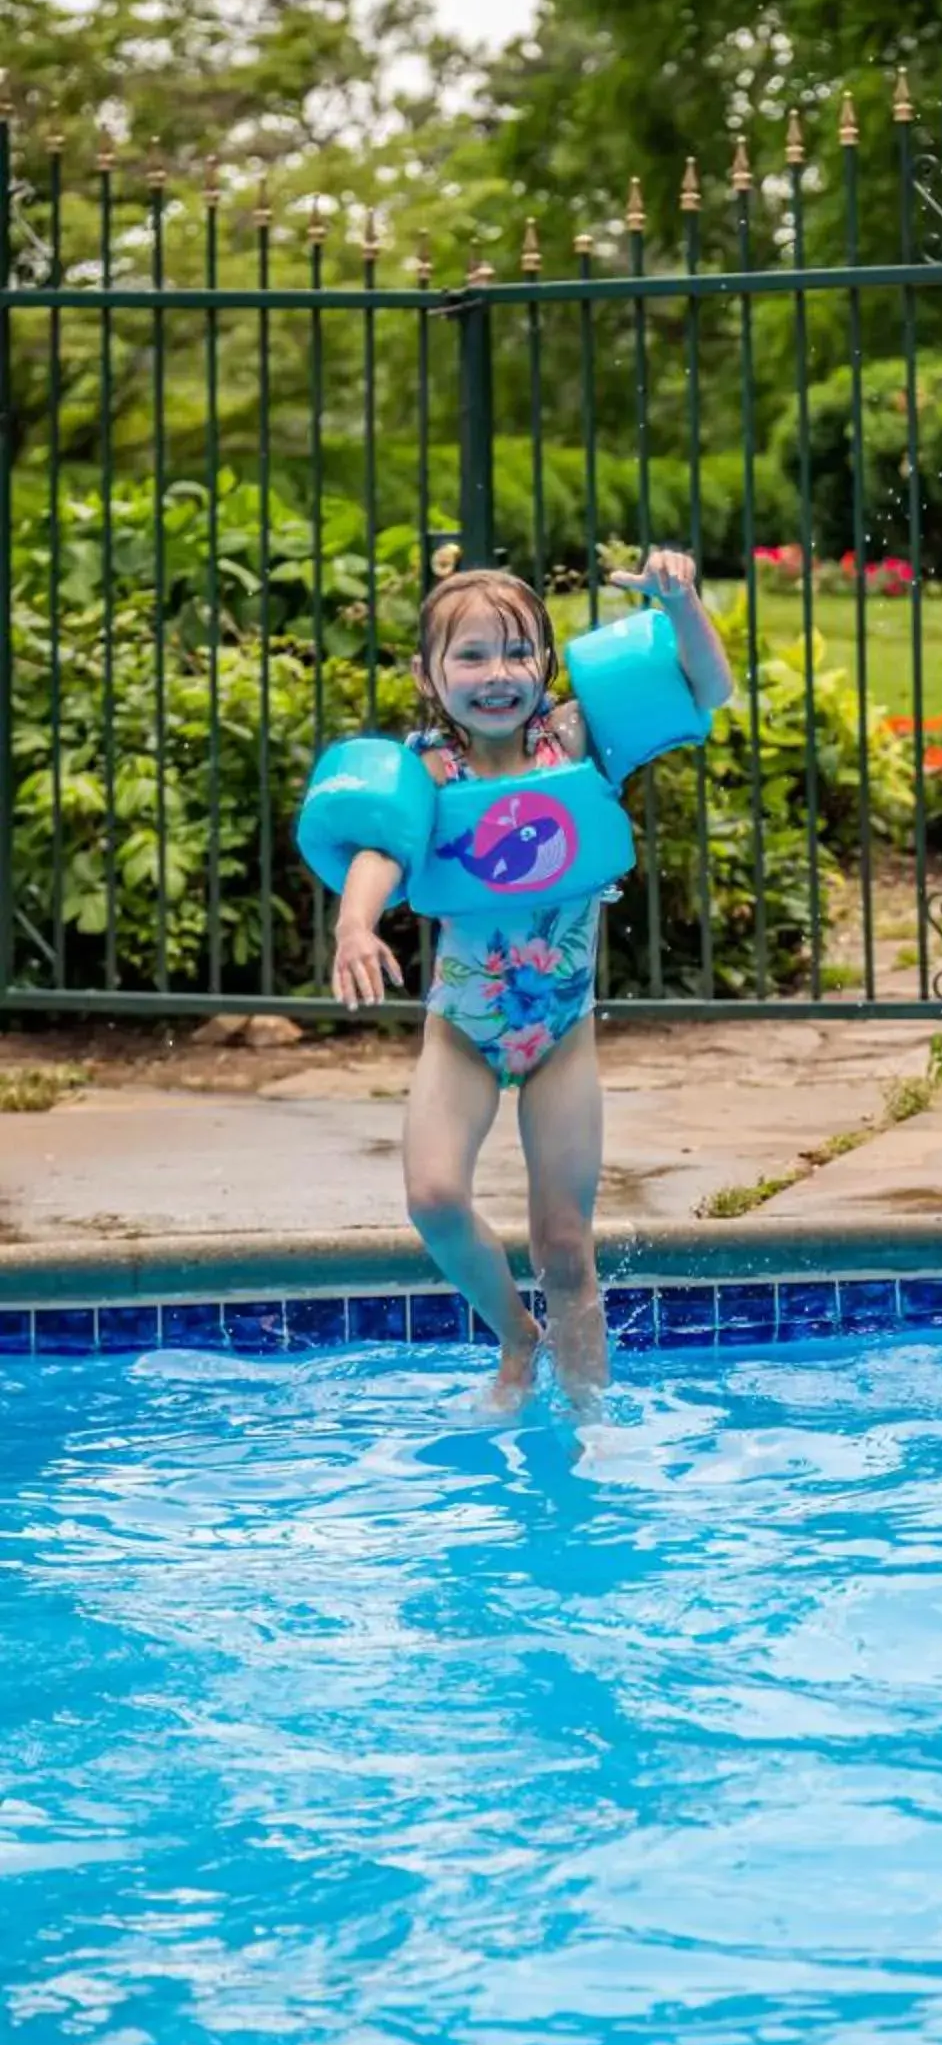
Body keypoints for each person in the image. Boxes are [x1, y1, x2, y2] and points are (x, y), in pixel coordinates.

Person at [328, 553, 734, 1407]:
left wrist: (682, 604)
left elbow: (707, 691)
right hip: (463, 1032)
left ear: (546, 666)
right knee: (434, 1199)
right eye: (470, 656)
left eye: (518, 654)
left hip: (561, 1036)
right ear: (427, 674)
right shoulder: (429, 772)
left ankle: (589, 1421)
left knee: (564, 1246)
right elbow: (378, 849)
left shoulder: (577, 741)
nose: (497, 675)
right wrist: (355, 923)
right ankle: (517, 1334)